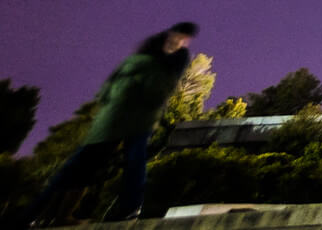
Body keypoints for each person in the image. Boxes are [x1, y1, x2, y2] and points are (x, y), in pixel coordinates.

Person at [23, 23, 197, 224]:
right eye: (178, 39)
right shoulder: (156, 67)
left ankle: (36, 213)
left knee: (78, 170)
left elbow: (107, 91)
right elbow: (153, 93)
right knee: (126, 164)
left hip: (114, 120)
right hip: (133, 121)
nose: (181, 43)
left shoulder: (138, 62)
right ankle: (128, 208)